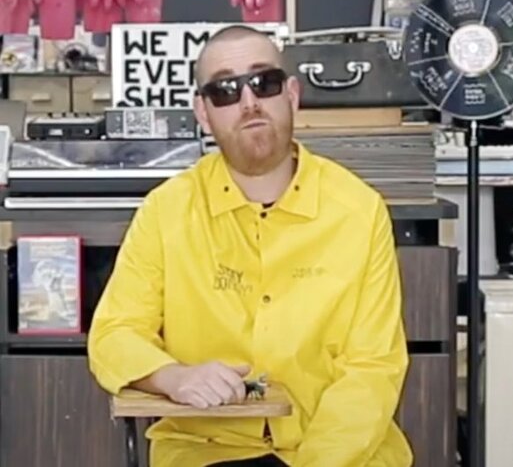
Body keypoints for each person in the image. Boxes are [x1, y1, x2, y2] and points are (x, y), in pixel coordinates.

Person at [87, 25, 413, 467]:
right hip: (205, 451)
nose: (249, 103)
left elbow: (372, 369)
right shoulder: (167, 211)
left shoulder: (359, 211)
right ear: (203, 113)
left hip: (337, 455)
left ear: (292, 95)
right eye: (225, 90)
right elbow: (113, 334)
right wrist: (172, 377)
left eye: (265, 83)